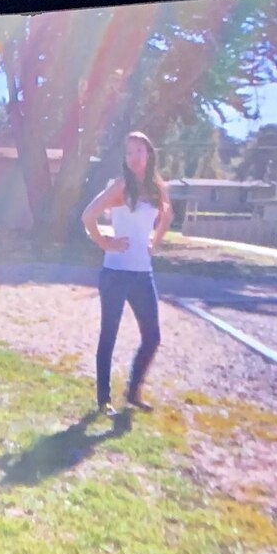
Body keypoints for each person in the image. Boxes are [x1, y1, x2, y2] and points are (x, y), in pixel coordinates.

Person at [80, 131, 172, 415]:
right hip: (116, 273)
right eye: (129, 152)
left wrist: (154, 242)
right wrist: (104, 242)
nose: (134, 157)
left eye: (139, 151)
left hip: (143, 275)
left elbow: (167, 215)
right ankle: (103, 399)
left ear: (149, 154)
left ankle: (133, 393)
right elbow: (88, 216)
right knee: (109, 335)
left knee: (153, 337)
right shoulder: (120, 186)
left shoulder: (157, 187)